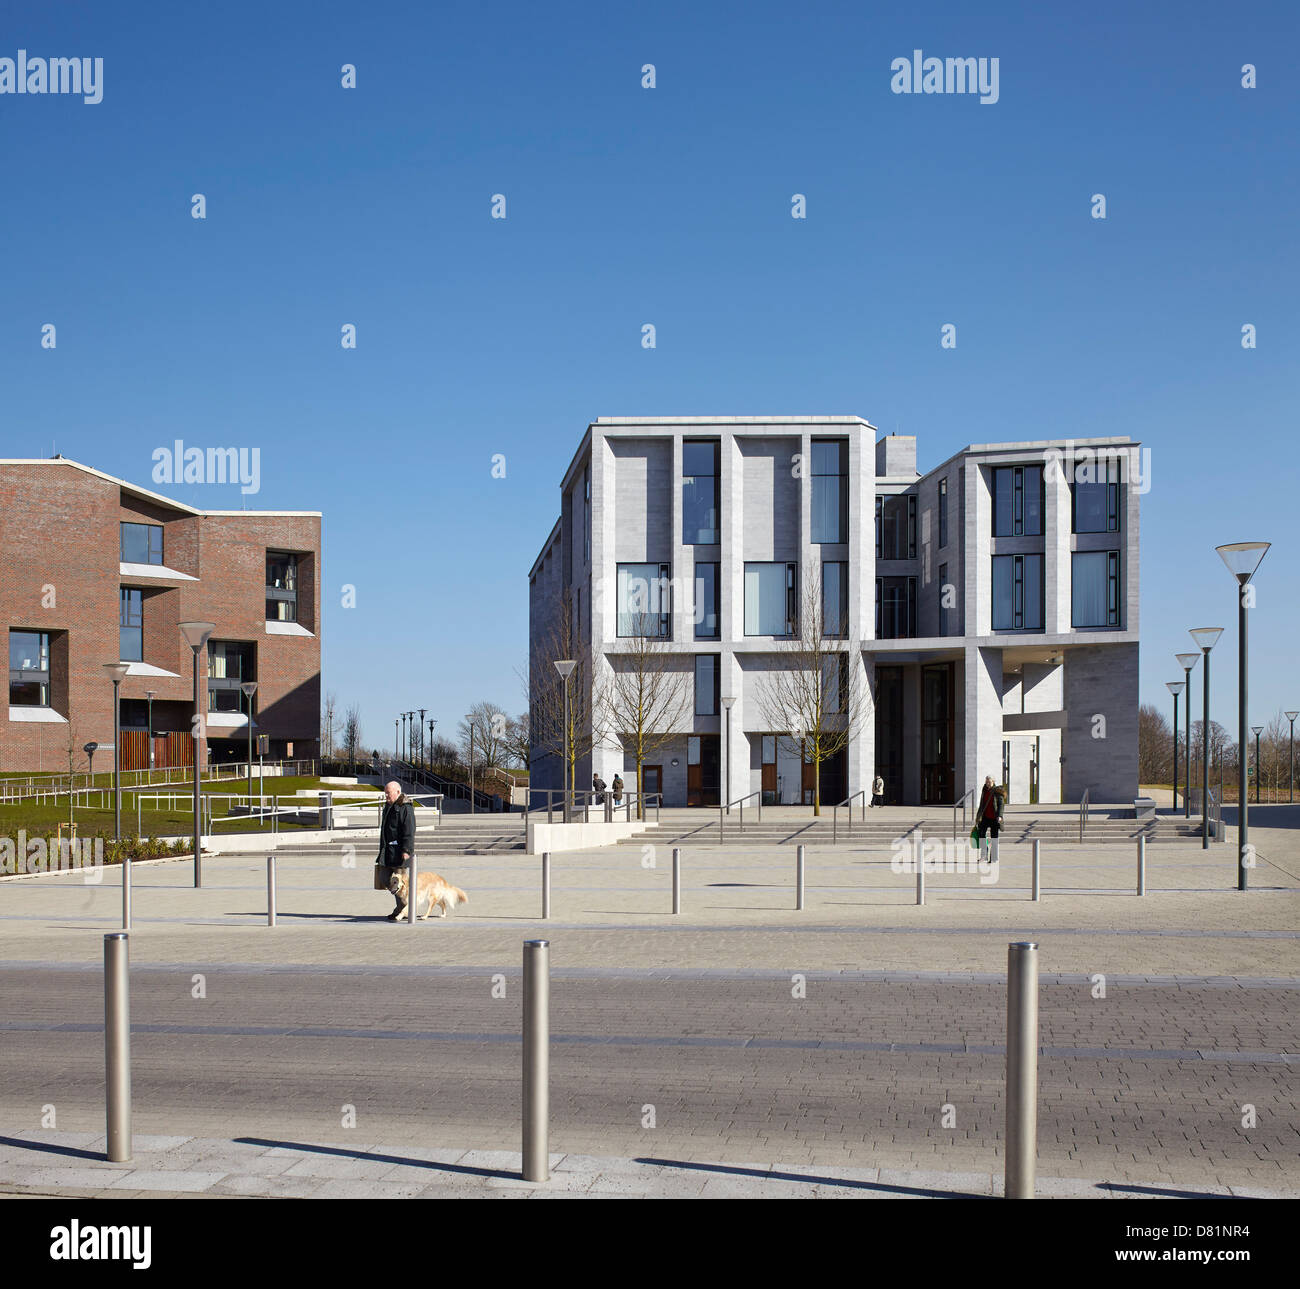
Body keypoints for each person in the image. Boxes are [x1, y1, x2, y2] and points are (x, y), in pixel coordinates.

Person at [376, 780, 416, 920]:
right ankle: (404, 905)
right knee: (383, 878)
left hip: (399, 852)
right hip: (387, 852)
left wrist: (406, 850)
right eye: (385, 792)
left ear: (398, 792)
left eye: (388, 793)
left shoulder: (405, 807)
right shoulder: (389, 806)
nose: (386, 795)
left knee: (398, 882)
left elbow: (409, 831)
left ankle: (402, 909)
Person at [976, 775, 1004, 862]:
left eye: (989, 782)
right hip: (985, 817)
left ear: (993, 782)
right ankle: (984, 856)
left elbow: (1001, 805)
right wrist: (978, 817)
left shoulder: (998, 791)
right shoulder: (984, 790)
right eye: (986, 781)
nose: (987, 783)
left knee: (994, 838)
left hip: (994, 818)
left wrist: (999, 816)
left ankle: (994, 858)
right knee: (981, 835)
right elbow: (981, 804)